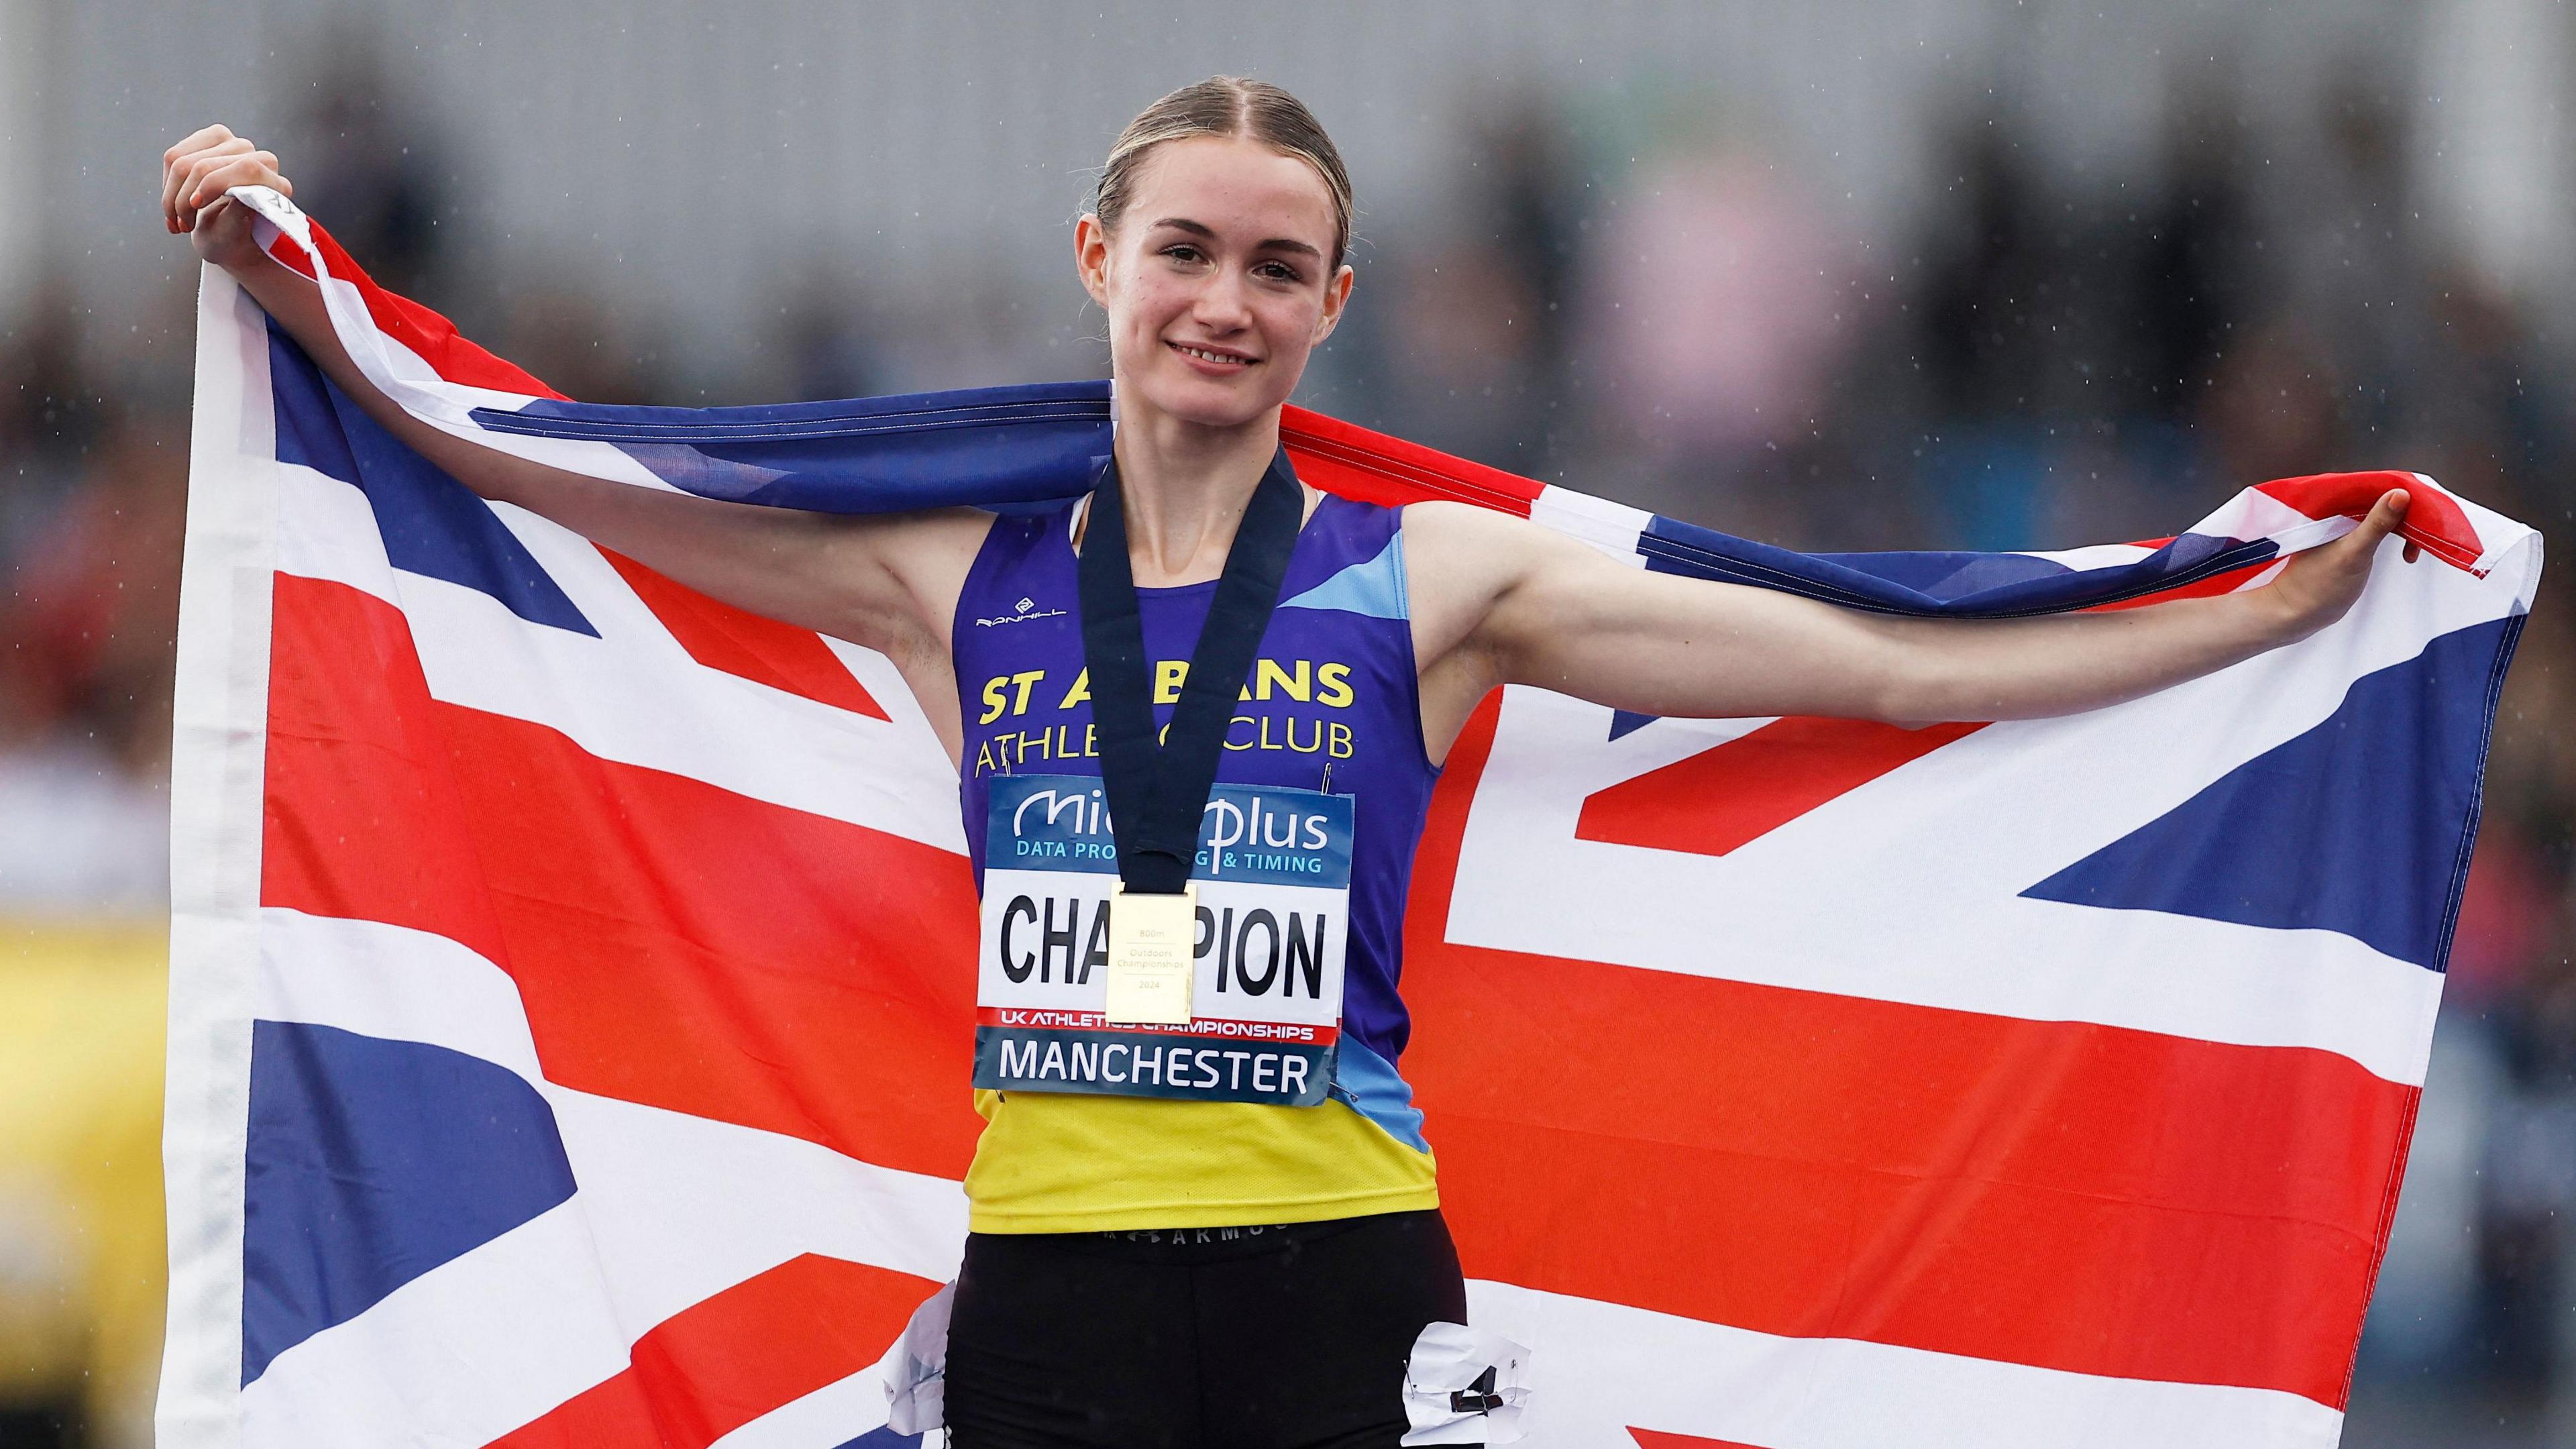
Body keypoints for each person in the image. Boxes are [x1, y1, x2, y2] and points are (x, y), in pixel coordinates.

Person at [161, 76, 2412, 1449]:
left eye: (1279, 266)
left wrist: (2233, 625)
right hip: (1047, 1295)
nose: (1223, 301)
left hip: (1346, 1284)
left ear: (1335, 304)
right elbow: (559, 474)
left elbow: (1869, 667)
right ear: (1097, 263)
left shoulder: (1432, 584)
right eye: (1185, 254)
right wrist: (315, 300)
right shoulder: (953, 581)